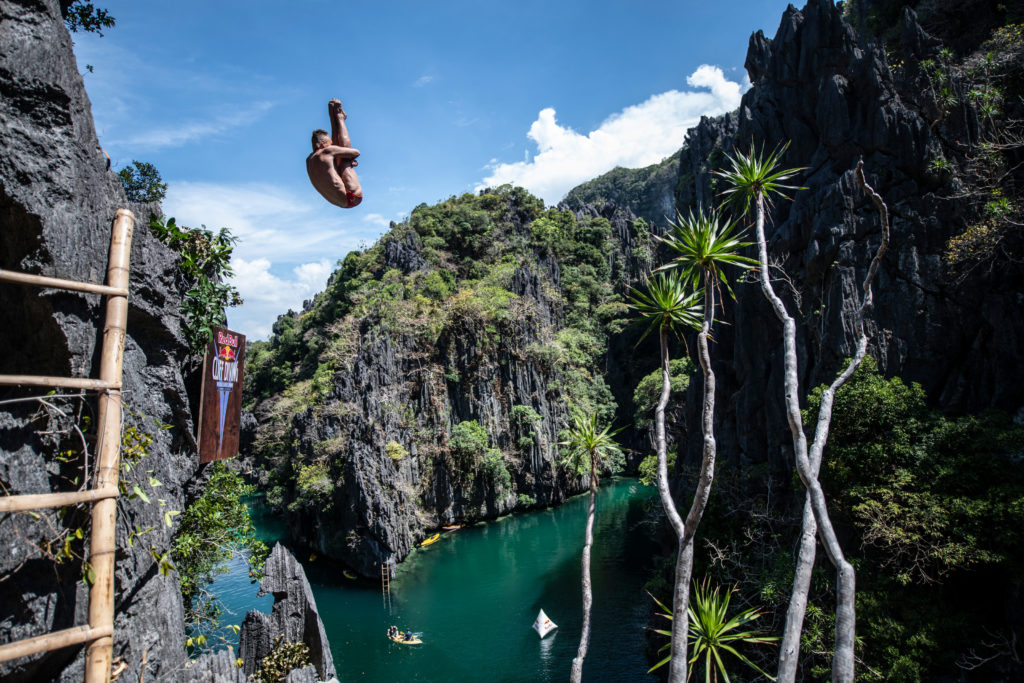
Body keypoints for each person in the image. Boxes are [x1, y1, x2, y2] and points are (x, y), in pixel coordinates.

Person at [307, 99, 362, 209]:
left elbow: (331, 172)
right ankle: (340, 118)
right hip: (353, 196)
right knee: (344, 158)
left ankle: (334, 116)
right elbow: (356, 152)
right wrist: (350, 159)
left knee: (338, 157)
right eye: (330, 143)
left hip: (340, 202)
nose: (332, 145)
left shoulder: (309, 160)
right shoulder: (326, 151)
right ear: (323, 144)